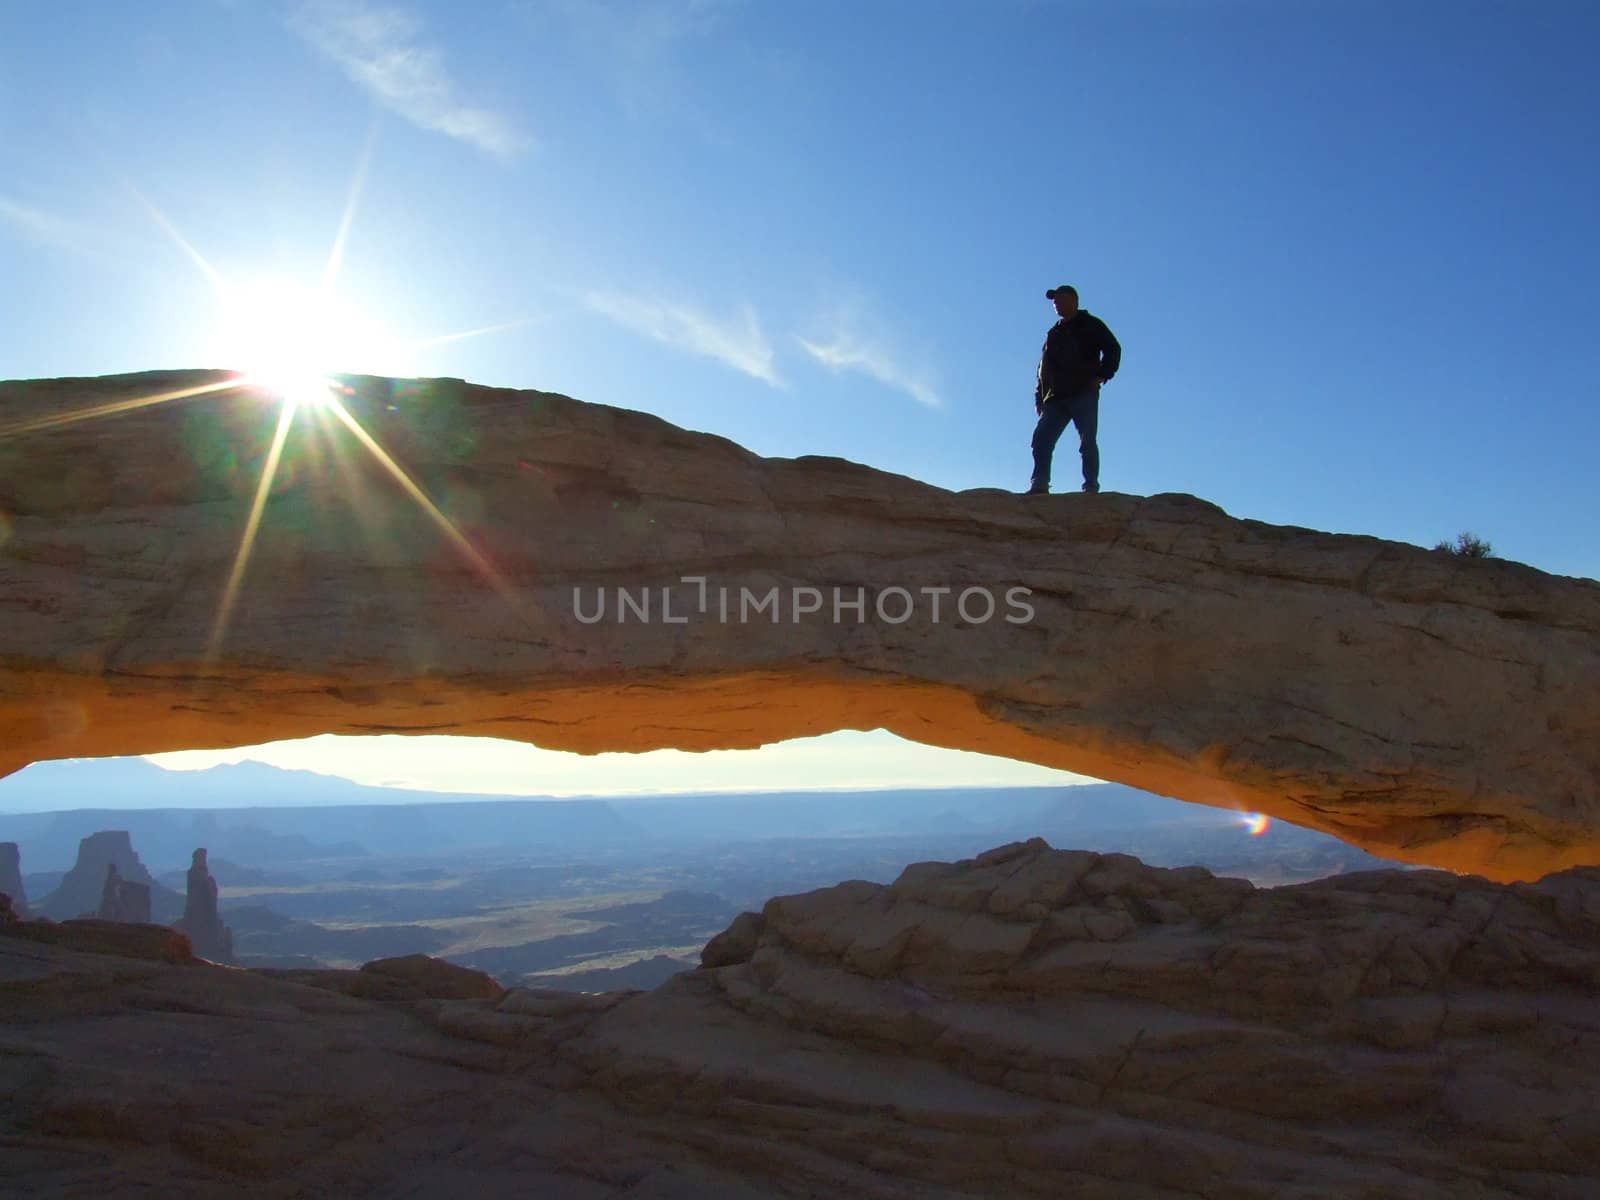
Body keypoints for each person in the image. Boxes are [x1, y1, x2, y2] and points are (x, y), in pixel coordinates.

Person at [1028, 285, 1120, 494]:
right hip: (1056, 397)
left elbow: (1113, 348)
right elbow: (1043, 368)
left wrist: (1102, 375)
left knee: (1087, 441)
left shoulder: (1091, 325)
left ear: (1073, 300)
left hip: (1083, 391)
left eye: (1059, 299)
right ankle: (1039, 483)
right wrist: (1039, 398)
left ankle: (1090, 485)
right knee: (1041, 439)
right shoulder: (1054, 333)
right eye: (1054, 302)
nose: (1055, 304)